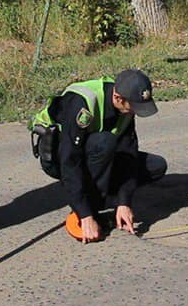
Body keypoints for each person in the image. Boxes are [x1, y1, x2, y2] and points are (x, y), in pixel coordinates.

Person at [31, 69, 167, 244]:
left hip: (93, 152)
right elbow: (70, 160)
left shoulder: (125, 107)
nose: (135, 112)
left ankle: (107, 199)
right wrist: (85, 213)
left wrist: (124, 201)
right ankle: (89, 209)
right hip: (58, 157)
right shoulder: (82, 103)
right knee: (105, 142)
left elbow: (129, 152)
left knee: (155, 166)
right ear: (118, 98)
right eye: (133, 106)